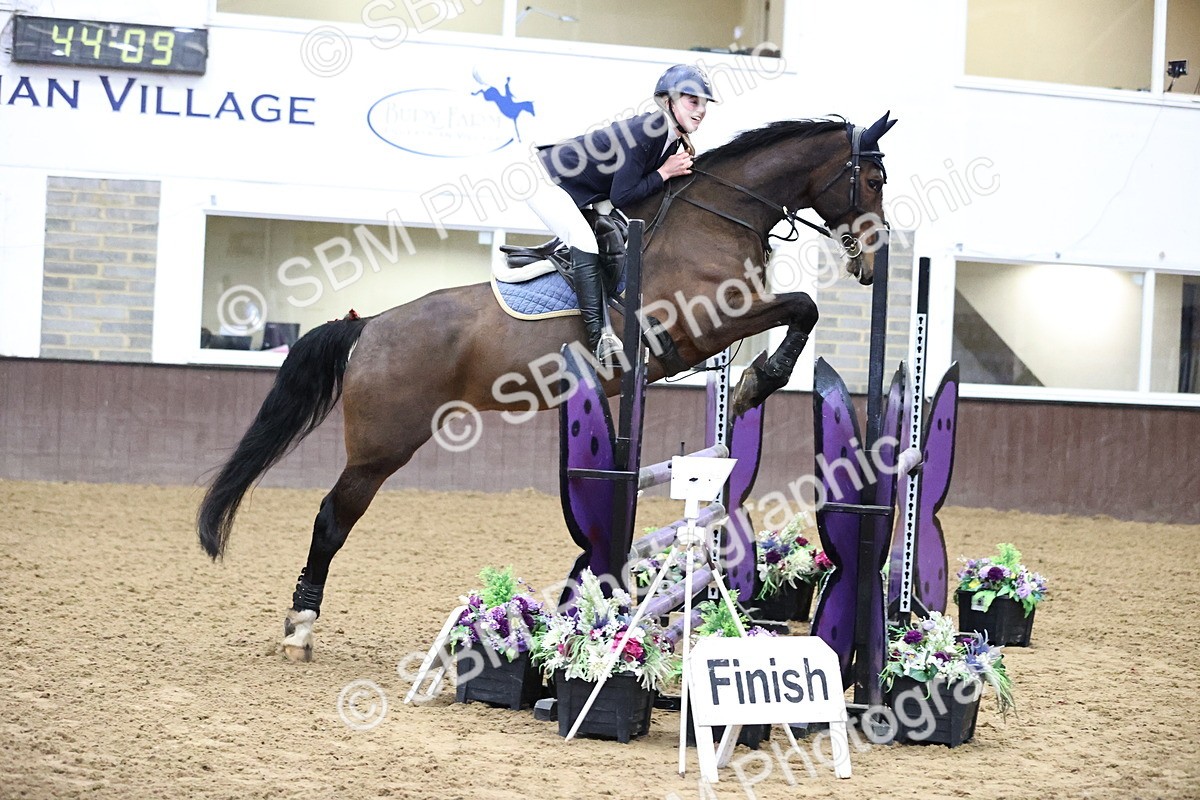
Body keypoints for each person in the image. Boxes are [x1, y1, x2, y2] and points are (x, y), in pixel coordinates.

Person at [528, 64, 717, 363]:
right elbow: (623, 195)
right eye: (693, 101)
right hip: (544, 178)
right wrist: (664, 173)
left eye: (705, 103)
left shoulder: (671, 141)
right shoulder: (648, 129)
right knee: (585, 241)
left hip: (588, 191)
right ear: (669, 101)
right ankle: (600, 337)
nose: (702, 109)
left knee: (620, 236)